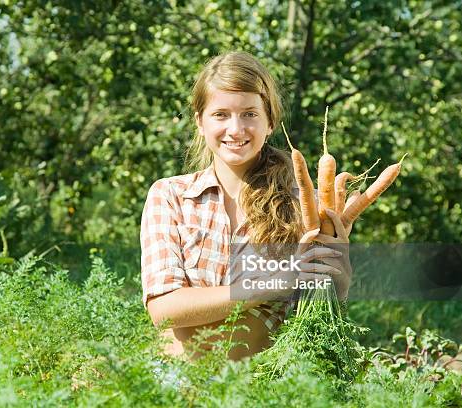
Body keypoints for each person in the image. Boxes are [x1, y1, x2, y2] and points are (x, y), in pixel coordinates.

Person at [140, 51, 352, 360]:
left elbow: (324, 307)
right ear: (200, 122)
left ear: (270, 122)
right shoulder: (170, 196)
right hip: (176, 382)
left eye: (250, 114)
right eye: (221, 114)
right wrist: (272, 284)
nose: (236, 129)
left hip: (267, 384)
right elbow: (164, 311)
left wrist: (339, 278)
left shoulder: (308, 204)